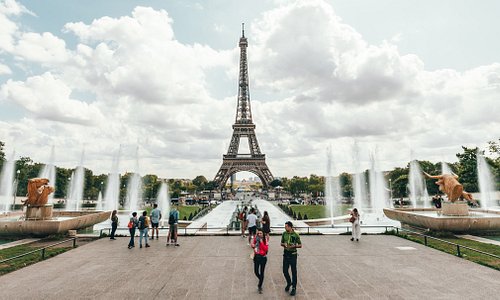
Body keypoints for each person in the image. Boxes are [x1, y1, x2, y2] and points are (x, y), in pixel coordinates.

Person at [281, 221, 302, 296]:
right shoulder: (284, 234)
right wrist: (284, 244)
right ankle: (289, 282)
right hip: (286, 254)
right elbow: (281, 243)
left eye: (286, 226)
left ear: (290, 227)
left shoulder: (296, 235)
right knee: (284, 270)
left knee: (294, 271)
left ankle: (294, 287)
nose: (285, 227)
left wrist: (294, 246)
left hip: (293, 254)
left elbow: (300, 245)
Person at [251, 228, 269, 294]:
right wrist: (252, 245)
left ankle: (260, 285)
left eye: (260, 233)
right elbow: (253, 245)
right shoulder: (256, 238)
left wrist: (261, 242)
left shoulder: (265, 239)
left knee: (262, 272)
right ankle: (261, 279)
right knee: (256, 271)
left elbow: (266, 249)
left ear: (263, 233)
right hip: (256, 257)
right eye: (258, 233)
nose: (259, 234)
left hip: (263, 258)